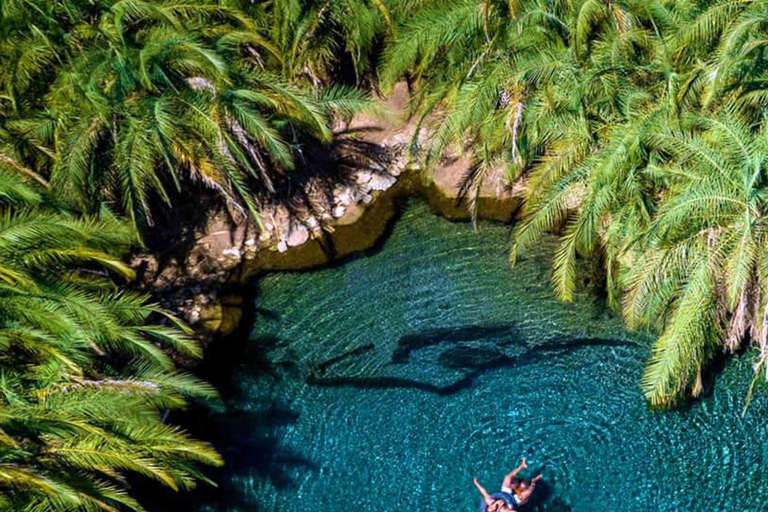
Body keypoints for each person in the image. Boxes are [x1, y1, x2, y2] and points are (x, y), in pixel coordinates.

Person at [473, 458, 542, 512]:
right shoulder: (504, 510)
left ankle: (522, 466)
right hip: (513, 501)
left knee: (507, 478)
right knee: (528, 493)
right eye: (493, 508)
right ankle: (534, 481)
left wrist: (476, 483)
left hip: (505, 494)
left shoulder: (490, 501)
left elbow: (483, 491)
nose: (492, 506)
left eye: (491, 506)